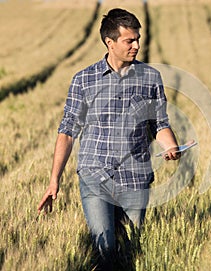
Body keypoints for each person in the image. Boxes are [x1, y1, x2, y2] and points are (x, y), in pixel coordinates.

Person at [38, 8, 180, 270]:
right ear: (110, 42)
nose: (137, 45)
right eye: (130, 40)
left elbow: (159, 124)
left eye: (138, 38)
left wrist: (171, 146)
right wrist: (53, 180)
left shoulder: (150, 78)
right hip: (95, 175)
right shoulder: (84, 80)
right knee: (106, 251)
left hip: (136, 177)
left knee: (131, 250)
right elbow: (68, 131)